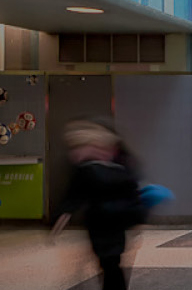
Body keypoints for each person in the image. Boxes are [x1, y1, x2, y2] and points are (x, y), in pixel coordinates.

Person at [51, 117, 148, 290]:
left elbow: (130, 190)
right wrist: (64, 213)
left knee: (110, 262)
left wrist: (137, 219)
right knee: (109, 262)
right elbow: (75, 193)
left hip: (112, 219)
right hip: (102, 221)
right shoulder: (89, 167)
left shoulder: (114, 164)